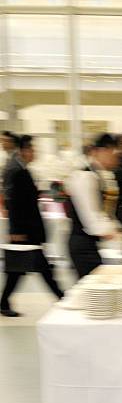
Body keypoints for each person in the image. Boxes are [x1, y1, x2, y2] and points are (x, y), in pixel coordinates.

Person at [1, 135, 64, 317]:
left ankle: (4, 302)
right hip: (24, 231)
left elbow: (25, 199)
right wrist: (16, 231)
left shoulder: (24, 171)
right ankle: (60, 297)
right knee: (36, 268)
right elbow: (15, 204)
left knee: (18, 269)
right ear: (23, 151)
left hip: (26, 230)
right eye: (31, 149)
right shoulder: (18, 172)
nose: (34, 152)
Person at [66, 133, 120, 278]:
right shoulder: (85, 176)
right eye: (112, 153)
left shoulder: (98, 175)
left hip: (89, 243)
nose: (114, 158)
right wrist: (111, 232)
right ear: (100, 151)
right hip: (82, 245)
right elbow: (90, 217)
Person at [0, 131, 19, 217]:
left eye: (4, 140)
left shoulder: (16, 159)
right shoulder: (9, 158)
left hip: (13, 202)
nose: (2, 143)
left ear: (11, 142)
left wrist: (5, 205)